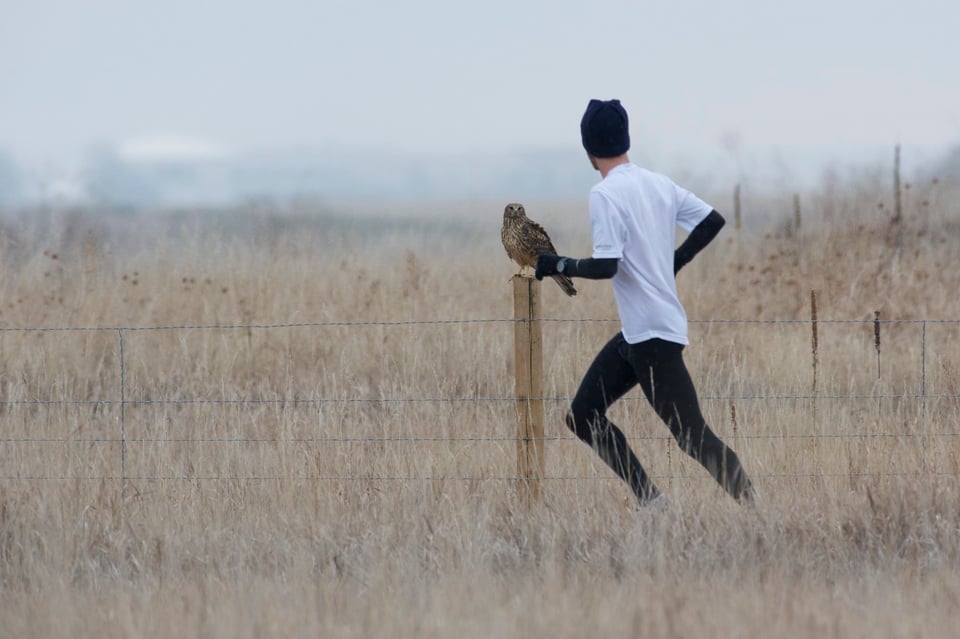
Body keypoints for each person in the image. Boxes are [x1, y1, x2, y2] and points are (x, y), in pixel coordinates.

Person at [535, 98, 753, 506]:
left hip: (652, 337)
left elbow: (605, 267)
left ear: (588, 148)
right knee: (582, 415)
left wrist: (559, 263)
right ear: (626, 139)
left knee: (692, 437)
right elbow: (712, 221)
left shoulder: (604, 195)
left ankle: (761, 515)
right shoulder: (658, 183)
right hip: (640, 334)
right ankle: (654, 505)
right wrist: (677, 260)